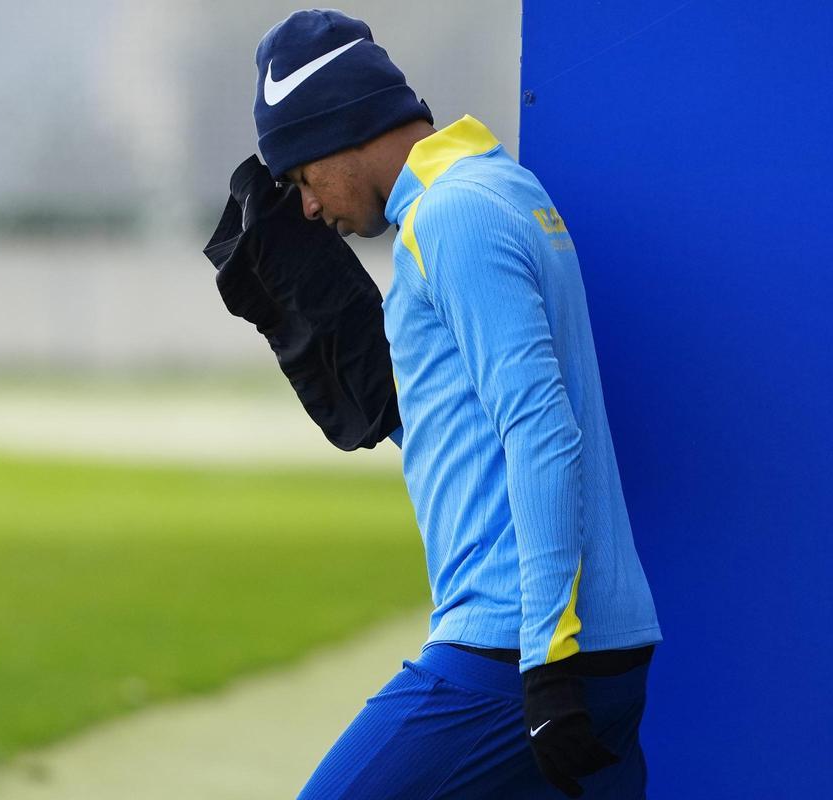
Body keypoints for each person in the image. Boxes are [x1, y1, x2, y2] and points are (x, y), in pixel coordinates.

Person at [246, 10, 663, 799]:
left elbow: (541, 427)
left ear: (340, 132)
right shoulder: (498, 186)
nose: (307, 209)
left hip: (512, 654)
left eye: (302, 178)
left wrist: (544, 662)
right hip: (598, 652)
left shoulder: (453, 217)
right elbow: (483, 426)